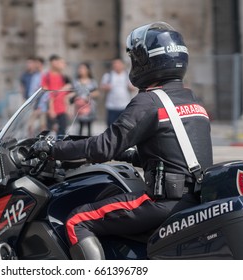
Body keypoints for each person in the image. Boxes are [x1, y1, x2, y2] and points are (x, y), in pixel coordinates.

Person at [32, 22, 213, 259]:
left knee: (77, 220)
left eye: (135, 59)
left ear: (147, 61)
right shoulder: (192, 101)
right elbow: (174, 154)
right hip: (194, 199)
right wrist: (127, 155)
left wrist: (54, 148)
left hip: (164, 202)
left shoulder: (149, 102)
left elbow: (101, 147)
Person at [41, 54, 71, 136]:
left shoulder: (63, 77)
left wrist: (68, 108)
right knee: (50, 134)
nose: (63, 65)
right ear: (54, 63)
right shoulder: (47, 76)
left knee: (62, 134)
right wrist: (51, 109)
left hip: (62, 109)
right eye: (61, 62)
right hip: (53, 110)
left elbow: (65, 95)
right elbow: (48, 94)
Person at [100, 58, 136, 127]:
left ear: (122, 65)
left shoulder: (128, 75)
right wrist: (106, 87)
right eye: (115, 64)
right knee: (111, 126)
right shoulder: (108, 75)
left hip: (124, 106)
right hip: (111, 106)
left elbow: (133, 88)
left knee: (124, 126)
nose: (116, 66)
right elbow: (102, 87)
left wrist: (130, 87)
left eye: (118, 64)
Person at [72, 62, 99, 136]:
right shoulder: (76, 82)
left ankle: (89, 144)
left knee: (89, 127)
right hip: (79, 107)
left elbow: (97, 92)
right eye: (80, 68)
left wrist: (88, 96)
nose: (81, 70)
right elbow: (73, 93)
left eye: (83, 68)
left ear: (88, 70)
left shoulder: (92, 82)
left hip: (89, 107)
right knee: (80, 127)